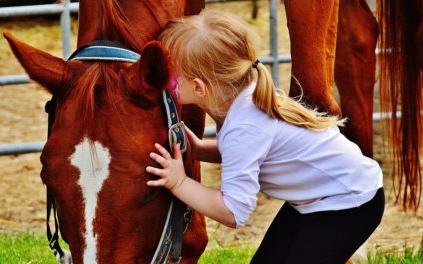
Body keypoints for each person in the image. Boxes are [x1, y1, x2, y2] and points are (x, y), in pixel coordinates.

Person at [145, 9, 384, 263]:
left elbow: (233, 211)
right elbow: (253, 153)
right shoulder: (244, 98)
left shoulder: (245, 126)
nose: (163, 82)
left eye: (169, 77)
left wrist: (178, 182)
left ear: (198, 87)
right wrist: (201, 149)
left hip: (350, 205)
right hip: (322, 199)